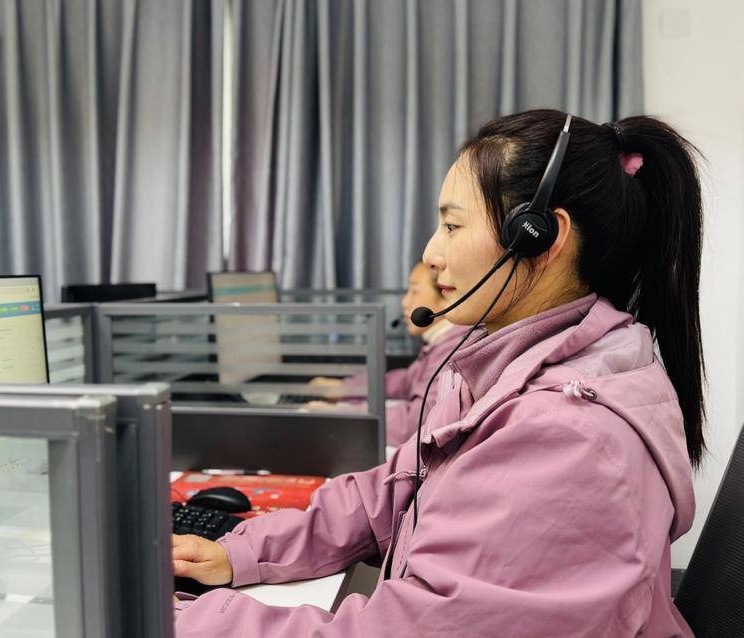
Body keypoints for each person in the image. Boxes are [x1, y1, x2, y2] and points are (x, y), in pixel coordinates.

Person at [171, 110, 703, 637]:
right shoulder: (502, 372)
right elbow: (389, 494)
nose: (431, 253)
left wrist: (180, 620)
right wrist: (240, 552)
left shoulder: (563, 434)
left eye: (452, 225)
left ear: (539, 237)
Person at [309, 261, 480, 446]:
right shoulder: (443, 342)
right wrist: (347, 388)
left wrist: (342, 414)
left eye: (414, 291)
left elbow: (415, 421)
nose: (405, 302)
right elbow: (405, 381)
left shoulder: (455, 350)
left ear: (447, 296)